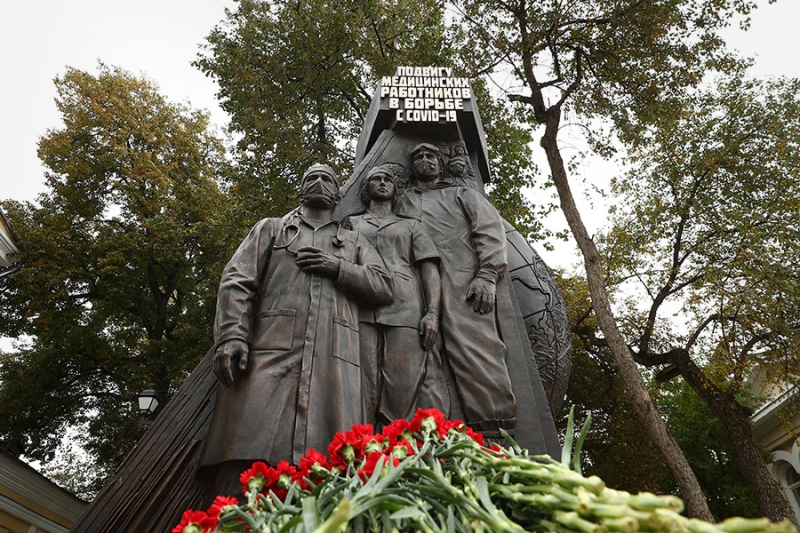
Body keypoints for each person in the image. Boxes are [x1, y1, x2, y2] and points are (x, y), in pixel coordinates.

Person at [200, 164, 393, 492]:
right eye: (310, 179)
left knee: (333, 464)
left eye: (327, 179)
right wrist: (232, 334)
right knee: (246, 452)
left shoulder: (354, 241)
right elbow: (237, 280)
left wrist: (339, 267)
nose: (318, 182)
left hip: (335, 362)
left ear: (337, 194)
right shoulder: (272, 229)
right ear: (301, 191)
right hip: (269, 353)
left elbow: (384, 286)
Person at [394, 143, 516, 439]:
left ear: (441, 163)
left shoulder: (463, 194)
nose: (426, 160)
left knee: (475, 347)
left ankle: (494, 427)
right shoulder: (402, 200)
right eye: (419, 156)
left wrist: (487, 275)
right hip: (411, 283)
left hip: (461, 281)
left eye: (431, 156)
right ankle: (426, 429)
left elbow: (489, 232)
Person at [344, 165, 444, 425]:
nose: (382, 182)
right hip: (360, 308)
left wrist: (432, 312)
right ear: (366, 189)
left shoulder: (411, 226)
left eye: (387, 179)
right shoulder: (351, 223)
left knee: (402, 382)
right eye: (375, 179)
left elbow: (429, 269)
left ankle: (397, 446)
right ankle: (361, 447)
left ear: (395, 189)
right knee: (361, 381)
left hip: (406, 308)